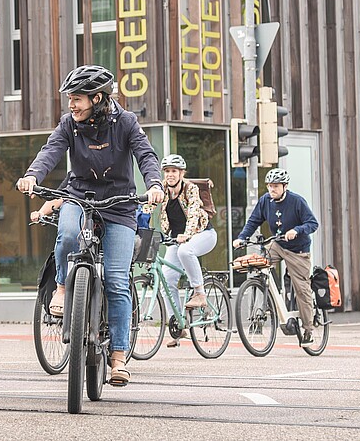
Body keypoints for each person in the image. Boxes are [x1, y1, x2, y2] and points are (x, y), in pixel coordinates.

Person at [16, 65, 164, 386]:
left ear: (97, 99)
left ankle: (118, 358)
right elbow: (50, 151)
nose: (72, 104)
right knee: (68, 233)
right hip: (80, 197)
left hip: (120, 205)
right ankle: (62, 286)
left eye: (78, 98)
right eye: (70, 98)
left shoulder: (126, 123)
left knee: (116, 279)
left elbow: (146, 156)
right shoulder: (69, 124)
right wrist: (32, 176)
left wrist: (153, 183)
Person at [233, 168, 319, 347]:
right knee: (258, 264)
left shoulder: (296, 201)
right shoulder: (266, 201)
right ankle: (269, 296)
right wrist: (242, 237)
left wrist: (297, 230)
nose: (272, 189)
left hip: (298, 250)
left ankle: (308, 329)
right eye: (270, 186)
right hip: (277, 245)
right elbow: (254, 220)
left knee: (302, 289)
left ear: (285, 186)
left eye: (276, 186)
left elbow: (312, 223)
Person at [157, 154, 217, 347]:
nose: (170, 175)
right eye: (167, 171)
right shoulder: (163, 189)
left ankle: (199, 292)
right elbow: (147, 207)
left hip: (203, 234)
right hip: (176, 239)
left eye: (174, 171)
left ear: (182, 173)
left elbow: (193, 214)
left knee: (185, 252)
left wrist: (187, 234)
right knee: (166, 281)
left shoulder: (190, 188)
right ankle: (178, 325)